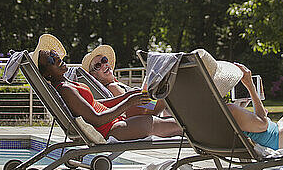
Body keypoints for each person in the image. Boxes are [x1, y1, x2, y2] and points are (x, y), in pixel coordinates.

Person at [37, 47, 181, 141]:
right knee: (175, 126)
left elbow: (96, 105)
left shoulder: (69, 84)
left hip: (114, 123)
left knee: (173, 125)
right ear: (47, 73)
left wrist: (127, 97)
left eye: (54, 55)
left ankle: (198, 128)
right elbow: (97, 120)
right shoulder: (65, 89)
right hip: (111, 129)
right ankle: (200, 131)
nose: (57, 58)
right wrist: (129, 102)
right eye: (51, 60)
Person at [82, 44, 167, 117]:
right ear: (94, 75)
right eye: (98, 65)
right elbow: (136, 111)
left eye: (104, 60)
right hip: (147, 116)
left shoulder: (116, 84)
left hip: (150, 113)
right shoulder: (112, 87)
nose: (104, 65)